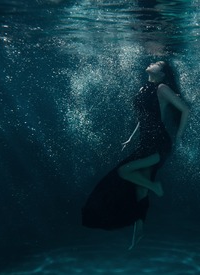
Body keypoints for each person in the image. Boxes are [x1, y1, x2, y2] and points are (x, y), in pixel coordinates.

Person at [81, 61, 189, 249]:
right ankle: (138, 232)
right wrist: (131, 139)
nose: (152, 62)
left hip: (158, 144)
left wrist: (178, 136)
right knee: (140, 190)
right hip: (145, 143)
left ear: (162, 74)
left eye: (158, 64)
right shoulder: (143, 88)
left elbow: (185, 109)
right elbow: (145, 117)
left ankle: (156, 187)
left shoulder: (162, 88)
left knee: (124, 171)